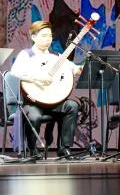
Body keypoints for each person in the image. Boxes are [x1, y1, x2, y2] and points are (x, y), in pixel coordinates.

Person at [10, 20, 81, 157]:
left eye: (50, 36)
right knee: (34, 117)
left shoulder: (55, 56)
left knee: (72, 106)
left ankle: (64, 147)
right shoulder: (26, 54)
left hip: (53, 101)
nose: (48, 39)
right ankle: (33, 149)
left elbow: (72, 68)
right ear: (33, 37)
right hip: (32, 102)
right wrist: (36, 79)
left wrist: (80, 68)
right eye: (44, 36)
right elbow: (15, 73)